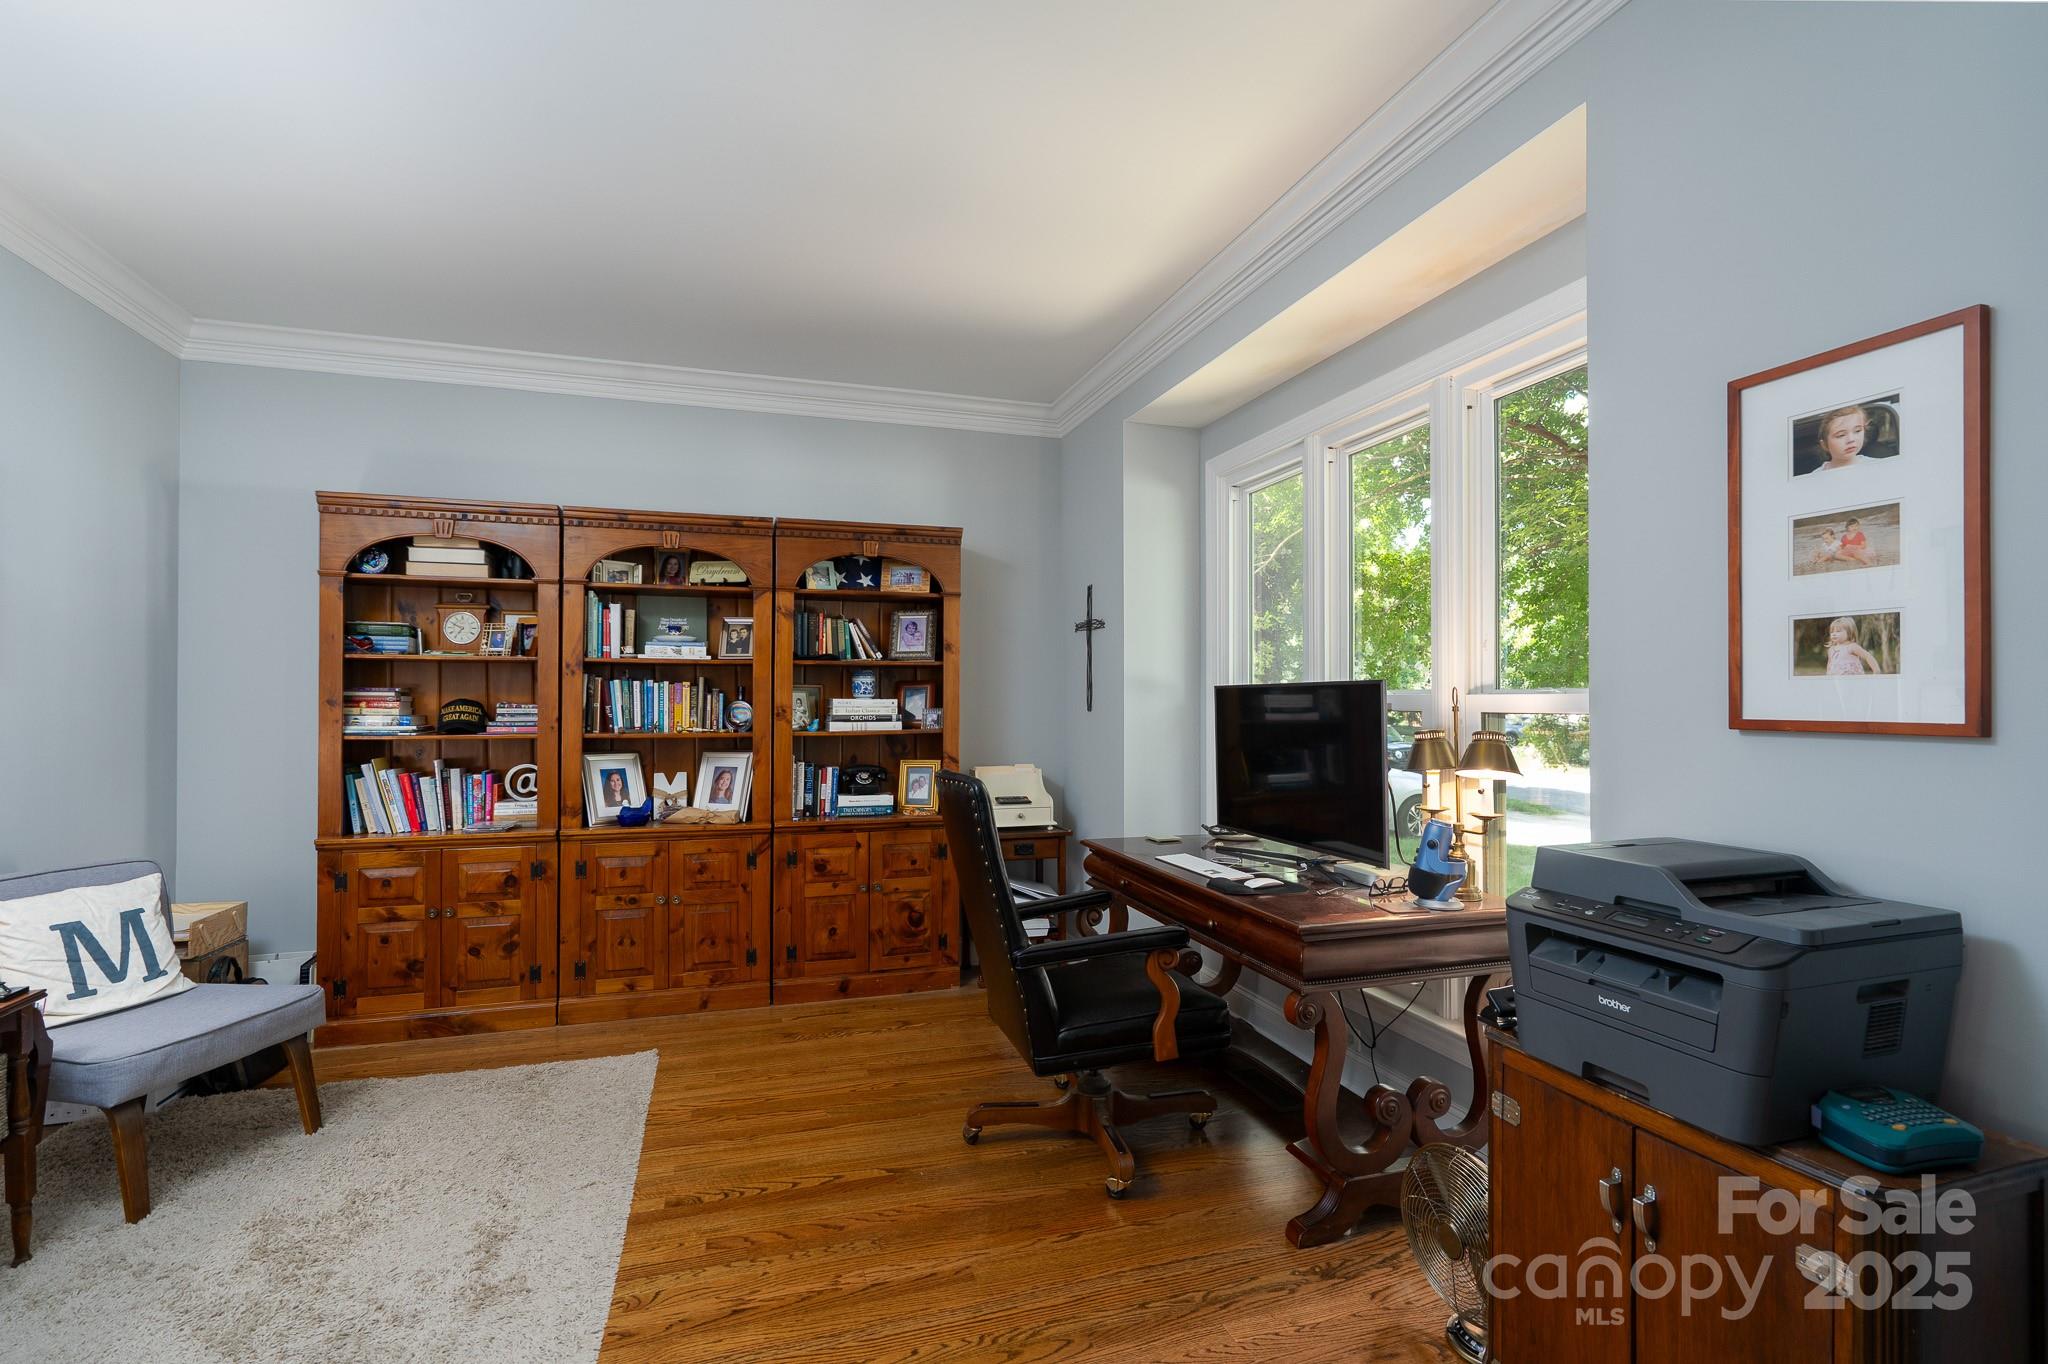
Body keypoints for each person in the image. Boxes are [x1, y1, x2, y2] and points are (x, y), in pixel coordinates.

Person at [1803, 405, 1872, 475]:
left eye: (1857, 431)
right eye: (1841, 435)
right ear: (1824, 445)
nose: (1851, 439)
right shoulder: (1815, 476)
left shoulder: (1874, 465)